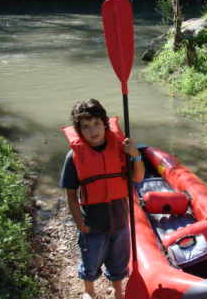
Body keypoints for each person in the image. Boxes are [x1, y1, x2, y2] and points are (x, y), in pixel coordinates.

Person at [59, 99, 145, 299]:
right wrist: (80, 223)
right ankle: (88, 292)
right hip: (93, 222)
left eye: (96, 124)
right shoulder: (73, 157)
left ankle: (118, 292)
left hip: (120, 218)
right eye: (86, 127)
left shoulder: (120, 149)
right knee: (90, 261)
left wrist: (136, 155)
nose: (92, 131)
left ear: (105, 124)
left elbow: (138, 177)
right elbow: (71, 195)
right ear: (79, 130)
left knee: (119, 260)